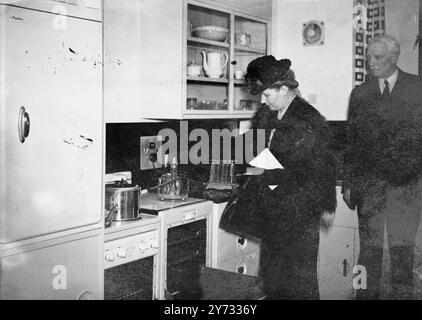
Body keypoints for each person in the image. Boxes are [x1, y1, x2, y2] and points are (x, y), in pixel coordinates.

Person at [222, 55, 337, 299]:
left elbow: (322, 166)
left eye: (267, 95)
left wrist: (327, 204)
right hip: (274, 209)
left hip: (298, 211)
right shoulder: (269, 115)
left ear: (284, 89)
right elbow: (256, 152)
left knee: (299, 281)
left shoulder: (309, 119)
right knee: (272, 279)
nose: (263, 101)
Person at [343, 34, 422, 299]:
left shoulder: (417, 88)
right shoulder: (360, 94)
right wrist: (348, 183)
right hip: (370, 189)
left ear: (394, 57)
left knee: (402, 252)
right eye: (368, 57)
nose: (371, 63)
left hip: (407, 189)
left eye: (377, 57)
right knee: (368, 252)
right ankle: (364, 297)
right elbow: (352, 143)